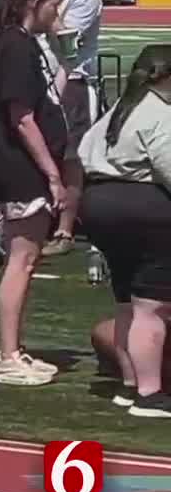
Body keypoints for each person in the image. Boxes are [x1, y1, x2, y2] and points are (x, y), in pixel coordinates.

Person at [78, 44, 171, 417]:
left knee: (125, 301)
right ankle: (149, 395)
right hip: (144, 207)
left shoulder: (118, 109)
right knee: (153, 306)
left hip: (100, 202)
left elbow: (85, 151)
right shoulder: (159, 113)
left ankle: (130, 383)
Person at [0, 0, 68, 386]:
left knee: (28, 259)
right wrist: (52, 173)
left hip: (29, 167)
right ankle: (7, 354)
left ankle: (15, 348)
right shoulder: (15, 47)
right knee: (21, 259)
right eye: (53, 3)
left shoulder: (26, 44)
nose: (59, 10)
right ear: (35, 5)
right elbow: (22, 117)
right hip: (22, 170)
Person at [41, 0, 104, 257]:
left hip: (73, 82)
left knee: (70, 158)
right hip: (41, 79)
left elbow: (68, 41)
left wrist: (46, 10)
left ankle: (65, 229)